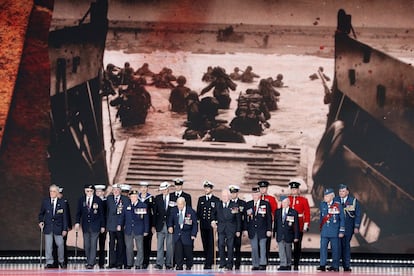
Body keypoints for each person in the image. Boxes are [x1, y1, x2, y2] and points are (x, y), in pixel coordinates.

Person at [75, 184, 106, 269]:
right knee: (86, 245)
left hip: (95, 226)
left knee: (93, 244)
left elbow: (101, 214)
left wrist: (102, 225)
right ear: (85, 191)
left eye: (91, 191)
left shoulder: (98, 200)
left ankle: (91, 263)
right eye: (87, 191)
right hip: (85, 226)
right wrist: (77, 222)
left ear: (93, 191)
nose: (89, 192)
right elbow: (78, 213)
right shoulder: (81, 200)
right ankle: (89, 260)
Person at [38, 184, 68, 269]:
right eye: (50, 191)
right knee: (48, 246)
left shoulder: (62, 202)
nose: (52, 193)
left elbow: (65, 217)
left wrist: (65, 229)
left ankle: (61, 261)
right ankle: (49, 262)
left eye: (54, 191)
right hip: (48, 227)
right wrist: (40, 221)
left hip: (58, 227)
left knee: (60, 245)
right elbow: (41, 214)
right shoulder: (45, 201)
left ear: (57, 192)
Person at [118, 190, 150, 269]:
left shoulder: (143, 205)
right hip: (128, 229)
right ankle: (129, 263)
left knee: (140, 248)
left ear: (137, 197)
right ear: (129, 197)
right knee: (129, 247)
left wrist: (146, 230)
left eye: (135, 196)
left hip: (139, 229)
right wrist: (119, 224)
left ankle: (138, 264)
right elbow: (122, 216)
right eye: (132, 196)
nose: (133, 198)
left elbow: (146, 219)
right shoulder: (126, 205)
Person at [243, 186, 272, 271]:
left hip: (263, 229)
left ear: (259, 194)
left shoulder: (265, 204)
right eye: (254, 194)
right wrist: (245, 229)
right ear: (252, 195)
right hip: (252, 230)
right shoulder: (248, 204)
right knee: (254, 248)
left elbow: (269, 218)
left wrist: (269, 229)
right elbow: (245, 218)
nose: (255, 195)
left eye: (257, 194)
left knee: (263, 247)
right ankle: (255, 264)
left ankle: (263, 264)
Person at [211, 189, 241, 270]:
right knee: (220, 245)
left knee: (230, 246)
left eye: (226, 196)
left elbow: (238, 219)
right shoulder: (218, 204)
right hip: (221, 228)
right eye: (223, 196)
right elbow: (213, 214)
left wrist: (238, 230)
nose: (224, 197)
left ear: (229, 196)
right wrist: (213, 221)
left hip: (231, 229)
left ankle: (229, 264)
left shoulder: (234, 205)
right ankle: (222, 263)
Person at [317, 188, 345, 272]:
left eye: (326, 196)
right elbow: (322, 217)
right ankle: (322, 265)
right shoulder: (322, 204)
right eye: (325, 196)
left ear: (332, 196)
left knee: (335, 249)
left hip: (335, 231)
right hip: (325, 231)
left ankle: (335, 266)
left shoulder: (338, 205)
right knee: (323, 248)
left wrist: (341, 231)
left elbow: (342, 219)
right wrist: (321, 228)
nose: (325, 197)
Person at [335, 184, 361, 272]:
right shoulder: (335, 200)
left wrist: (356, 226)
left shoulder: (353, 201)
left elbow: (357, 215)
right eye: (340, 191)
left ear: (347, 192)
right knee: (337, 246)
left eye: (343, 191)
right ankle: (336, 266)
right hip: (337, 228)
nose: (341, 193)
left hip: (348, 227)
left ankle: (346, 265)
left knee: (346, 245)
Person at [167, 197, 198, 270]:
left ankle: (189, 265)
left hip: (187, 234)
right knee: (178, 251)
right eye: (178, 204)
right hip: (177, 234)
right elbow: (170, 220)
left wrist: (193, 234)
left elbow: (195, 224)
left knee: (188, 251)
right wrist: (170, 226)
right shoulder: (174, 210)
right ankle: (179, 265)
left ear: (184, 204)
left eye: (181, 204)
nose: (179, 206)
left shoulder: (191, 211)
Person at [196, 180, 220, 269]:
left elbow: (218, 213)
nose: (206, 189)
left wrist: (215, 222)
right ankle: (206, 259)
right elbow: (198, 212)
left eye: (208, 188)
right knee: (205, 243)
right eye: (205, 188)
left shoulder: (216, 200)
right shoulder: (201, 199)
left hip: (211, 226)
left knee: (211, 244)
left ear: (211, 189)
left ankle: (209, 262)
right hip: (203, 225)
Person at [287, 178, 311, 271]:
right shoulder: (287, 199)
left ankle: (296, 264)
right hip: (288, 226)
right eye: (292, 189)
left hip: (299, 225)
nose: (294, 191)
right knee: (288, 245)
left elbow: (307, 213)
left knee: (297, 245)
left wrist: (306, 225)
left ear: (298, 190)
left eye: (295, 189)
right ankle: (288, 263)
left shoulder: (303, 200)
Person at [106, 183, 130, 269]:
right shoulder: (109, 199)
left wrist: (122, 224)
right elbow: (107, 212)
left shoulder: (125, 199)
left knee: (120, 244)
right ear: (112, 191)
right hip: (111, 225)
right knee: (111, 244)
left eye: (117, 190)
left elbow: (126, 214)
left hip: (121, 226)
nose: (116, 191)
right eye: (114, 190)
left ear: (120, 191)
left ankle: (120, 263)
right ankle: (112, 262)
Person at [273, 195, 299, 271]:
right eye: (282, 202)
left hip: (289, 234)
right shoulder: (277, 211)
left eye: (285, 202)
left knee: (288, 250)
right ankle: (283, 264)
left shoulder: (293, 212)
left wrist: (296, 236)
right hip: (280, 234)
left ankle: (288, 264)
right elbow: (276, 223)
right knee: (281, 250)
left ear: (289, 203)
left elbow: (296, 226)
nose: (283, 204)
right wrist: (274, 233)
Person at [153, 181, 174, 270]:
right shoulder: (157, 198)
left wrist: (172, 225)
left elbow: (175, 213)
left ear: (168, 189)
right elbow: (155, 213)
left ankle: (169, 263)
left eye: (165, 189)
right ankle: (159, 263)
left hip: (170, 226)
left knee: (170, 245)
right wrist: (153, 225)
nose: (164, 191)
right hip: (160, 225)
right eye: (162, 190)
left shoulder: (173, 197)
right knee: (160, 245)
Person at [258, 180, 277, 263]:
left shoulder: (271, 199)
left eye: (264, 188)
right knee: (257, 243)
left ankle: (265, 260)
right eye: (261, 188)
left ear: (267, 188)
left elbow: (274, 212)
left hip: (267, 224)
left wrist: (272, 224)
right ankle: (258, 260)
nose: (262, 190)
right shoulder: (257, 198)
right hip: (258, 225)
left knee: (266, 243)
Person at [52, 186, 72, 268]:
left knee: (62, 245)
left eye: (59, 194)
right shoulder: (51, 202)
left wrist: (68, 226)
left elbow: (67, 215)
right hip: (53, 227)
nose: (59, 195)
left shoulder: (64, 202)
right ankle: (55, 262)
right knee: (53, 245)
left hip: (63, 227)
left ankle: (64, 262)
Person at [229, 185, 246, 270]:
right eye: (232, 193)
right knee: (230, 247)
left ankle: (237, 264)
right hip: (229, 229)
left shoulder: (242, 203)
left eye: (234, 193)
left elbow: (244, 218)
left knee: (238, 247)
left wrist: (242, 229)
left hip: (239, 229)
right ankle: (230, 264)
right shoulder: (228, 202)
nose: (233, 194)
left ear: (237, 193)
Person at [138, 181, 155, 269]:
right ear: (140, 188)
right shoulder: (136, 197)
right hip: (138, 225)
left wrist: (153, 226)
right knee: (139, 244)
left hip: (148, 225)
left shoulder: (151, 198)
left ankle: (145, 262)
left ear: (147, 188)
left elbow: (153, 213)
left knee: (147, 244)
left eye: (145, 187)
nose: (143, 189)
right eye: (142, 187)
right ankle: (139, 261)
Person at [94, 184, 107, 269]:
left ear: (103, 192)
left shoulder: (106, 201)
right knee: (93, 244)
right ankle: (92, 261)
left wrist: (104, 226)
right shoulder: (93, 201)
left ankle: (101, 263)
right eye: (97, 191)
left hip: (103, 226)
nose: (98, 193)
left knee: (102, 245)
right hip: (94, 226)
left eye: (100, 191)